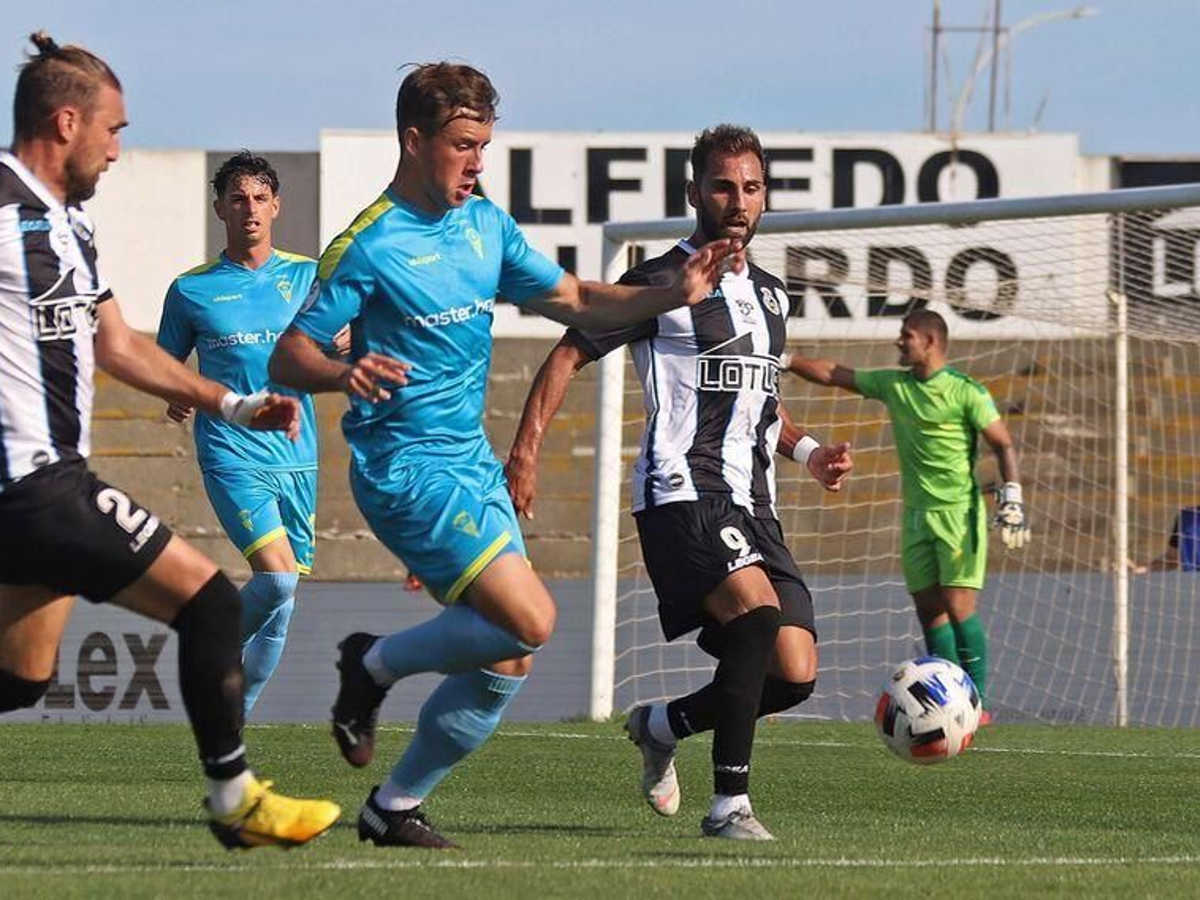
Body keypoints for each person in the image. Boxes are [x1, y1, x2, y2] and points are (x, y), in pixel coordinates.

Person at [267, 64, 737, 849]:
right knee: (532, 619)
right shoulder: (369, 245)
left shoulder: (486, 226)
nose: (477, 162)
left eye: (484, 144)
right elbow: (289, 358)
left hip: (470, 463)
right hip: (403, 467)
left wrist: (669, 294)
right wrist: (344, 370)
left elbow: (580, 301)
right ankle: (371, 664)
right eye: (462, 145)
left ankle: (394, 807)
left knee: (508, 661)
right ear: (414, 142)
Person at [0, 32, 338, 849]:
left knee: (11, 676)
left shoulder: (70, 228)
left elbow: (117, 346)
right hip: (30, 481)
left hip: (27, 486)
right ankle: (236, 800)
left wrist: (230, 402)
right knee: (214, 602)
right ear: (66, 121)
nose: (120, 149)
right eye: (113, 130)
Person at [506, 124, 853, 841]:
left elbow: (754, 401)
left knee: (793, 673)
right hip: (681, 489)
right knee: (756, 620)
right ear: (693, 191)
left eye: (751, 187)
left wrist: (810, 450)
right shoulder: (659, 281)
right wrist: (526, 453)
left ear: (766, 198)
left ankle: (662, 727)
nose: (738, 200)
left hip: (755, 501)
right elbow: (569, 354)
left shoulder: (772, 296)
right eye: (723, 186)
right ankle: (730, 807)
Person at [157, 152, 338, 714]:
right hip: (231, 451)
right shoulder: (191, 290)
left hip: (298, 456)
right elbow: (164, 363)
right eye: (239, 198)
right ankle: (208, 650)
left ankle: (235, 723)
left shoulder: (308, 276)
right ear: (220, 209)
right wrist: (176, 393)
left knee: (282, 605)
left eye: (260, 198)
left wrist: (349, 347)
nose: (250, 209)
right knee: (278, 582)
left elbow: (341, 340)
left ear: (276, 206)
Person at [784, 310, 1027, 717]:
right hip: (916, 517)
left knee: (958, 605)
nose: (899, 341)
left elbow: (1002, 442)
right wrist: (787, 360)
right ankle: (950, 701)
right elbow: (833, 374)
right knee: (929, 610)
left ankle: (977, 705)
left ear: (930, 342)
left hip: (957, 515)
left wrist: (1012, 497)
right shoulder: (896, 385)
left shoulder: (966, 391)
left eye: (906, 335)